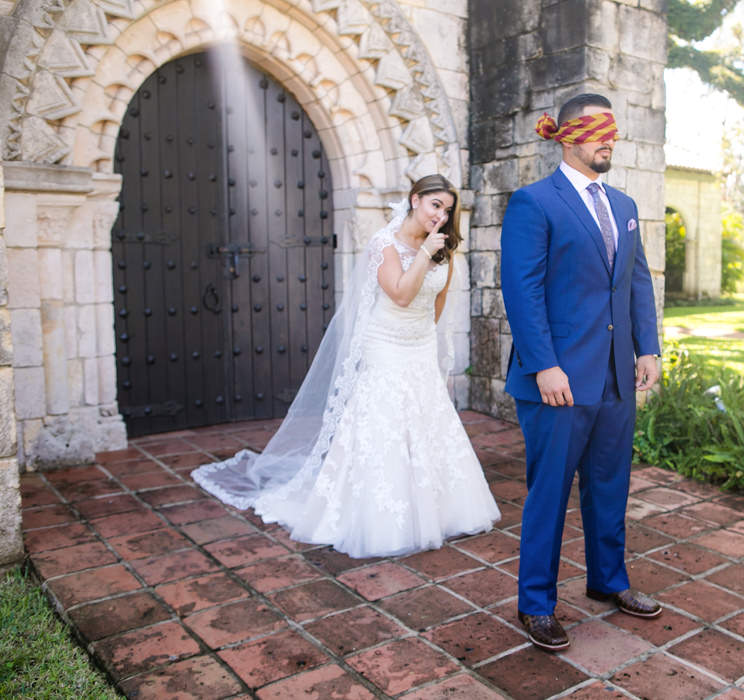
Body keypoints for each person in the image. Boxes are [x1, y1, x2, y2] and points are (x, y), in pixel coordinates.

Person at [193, 174, 499, 558]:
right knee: (385, 420)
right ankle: (381, 515)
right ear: (415, 199)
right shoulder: (382, 245)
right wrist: (423, 256)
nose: (441, 216)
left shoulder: (443, 250)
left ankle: (435, 507)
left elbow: (434, 306)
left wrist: (421, 334)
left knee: (426, 417)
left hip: (418, 345)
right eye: (435, 205)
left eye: (448, 210)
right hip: (383, 343)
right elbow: (402, 295)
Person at [500, 93, 663, 651]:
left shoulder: (623, 204)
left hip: (617, 375)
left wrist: (649, 347)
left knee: (609, 485)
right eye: (598, 131)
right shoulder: (533, 203)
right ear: (568, 135)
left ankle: (608, 582)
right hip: (558, 380)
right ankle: (537, 605)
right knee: (549, 492)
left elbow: (637, 280)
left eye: (612, 131)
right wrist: (544, 365)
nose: (608, 141)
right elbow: (521, 293)